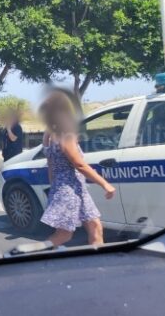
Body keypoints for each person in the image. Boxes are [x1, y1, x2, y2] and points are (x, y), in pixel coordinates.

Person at [38, 88, 115, 246]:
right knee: (63, 235)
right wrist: (105, 184)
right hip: (70, 190)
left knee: (95, 228)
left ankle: (99, 265)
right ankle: (34, 257)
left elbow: (51, 165)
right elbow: (79, 164)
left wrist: (54, 187)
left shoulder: (48, 135)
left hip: (69, 188)